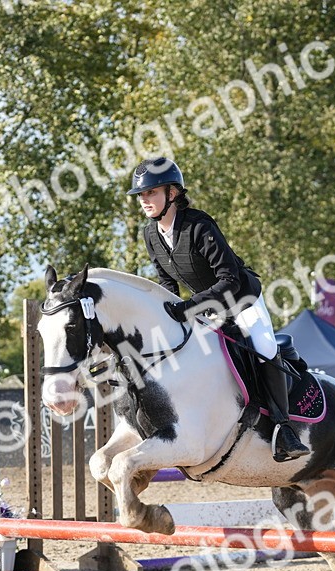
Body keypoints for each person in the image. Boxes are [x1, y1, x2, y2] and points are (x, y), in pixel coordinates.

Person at [127, 156, 310, 462]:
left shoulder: (199, 225)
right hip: (206, 305)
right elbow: (166, 284)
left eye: (152, 193)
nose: (145, 200)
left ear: (172, 193)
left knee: (263, 346)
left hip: (241, 298)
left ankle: (284, 429)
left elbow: (230, 278)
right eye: (142, 195)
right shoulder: (150, 234)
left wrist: (191, 306)